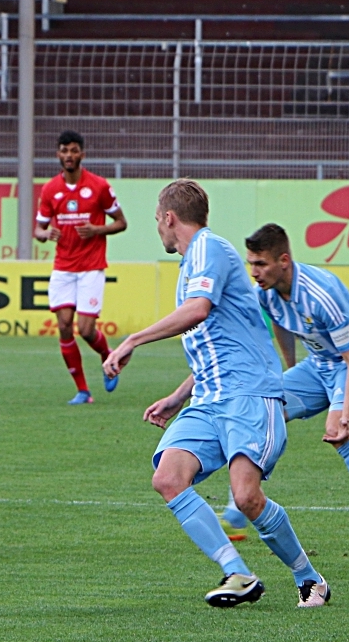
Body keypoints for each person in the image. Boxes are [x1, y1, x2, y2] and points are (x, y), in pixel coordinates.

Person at [102, 180, 331, 609]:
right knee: (168, 478)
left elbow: (198, 311)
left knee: (246, 497)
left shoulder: (208, 247)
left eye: (157, 220)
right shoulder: (191, 264)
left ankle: (309, 578)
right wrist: (177, 396)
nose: (158, 228)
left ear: (169, 218)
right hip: (207, 398)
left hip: (249, 396)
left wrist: (133, 339)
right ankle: (238, 573)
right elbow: (219, 341)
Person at [238, 223, 349, 551]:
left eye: (260, 264)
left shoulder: (320, 295)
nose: (254, 272)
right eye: (251, 263)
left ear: (283, 261)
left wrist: (347, 413)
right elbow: (281, 326)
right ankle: (239, 506)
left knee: (339, 431)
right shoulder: (267, 294)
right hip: (318, 365)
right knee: (265, 407)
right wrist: (288, 373)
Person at [33, 130, 128, 404]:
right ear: (58, 155)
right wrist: (45, 233)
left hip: (91, 266)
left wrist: (97, 229)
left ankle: (107, 356)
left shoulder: (98, 186)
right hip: (63, 267)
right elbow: (38, 230)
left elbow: (121, 222)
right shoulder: (50, 189)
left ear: (81, 154)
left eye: (74, 150)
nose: (69, 155)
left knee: (85, 330)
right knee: (64, 326)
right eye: (64, 150)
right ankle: (83, 391)